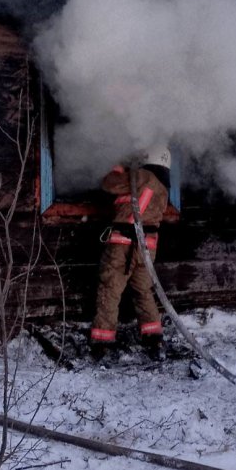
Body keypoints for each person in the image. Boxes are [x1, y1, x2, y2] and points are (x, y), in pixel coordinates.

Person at [91, 147, 171, 361]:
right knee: (143, 291)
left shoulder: (142, 176)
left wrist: (119, 165)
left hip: (123, 245)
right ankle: (153, 337)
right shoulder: (163, 187)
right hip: (147, 248)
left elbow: (109, 183)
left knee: (110, 290)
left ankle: (102, 342)